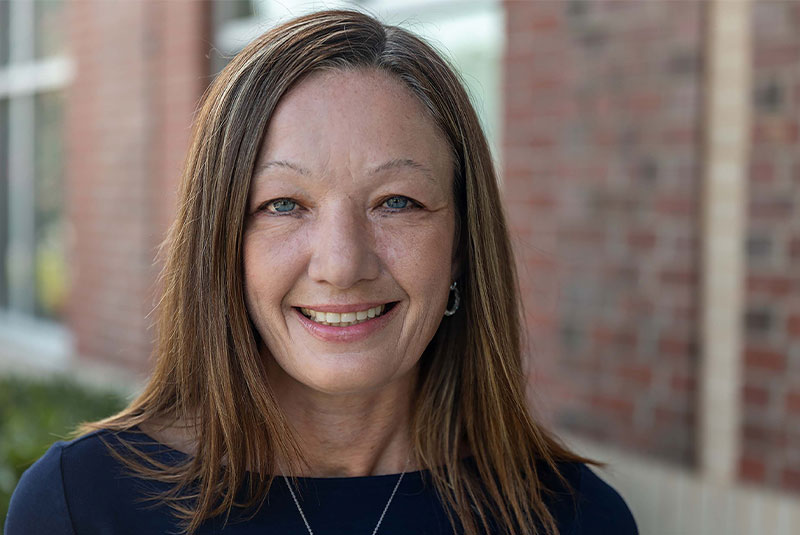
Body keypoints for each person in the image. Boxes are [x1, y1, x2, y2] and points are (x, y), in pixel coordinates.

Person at [5, 9, 637, 535]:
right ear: (222, 243)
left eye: (398, 202)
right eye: (284, 205)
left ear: (462, 245)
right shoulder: (81, 507)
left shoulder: (574, 518)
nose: (341, 265)